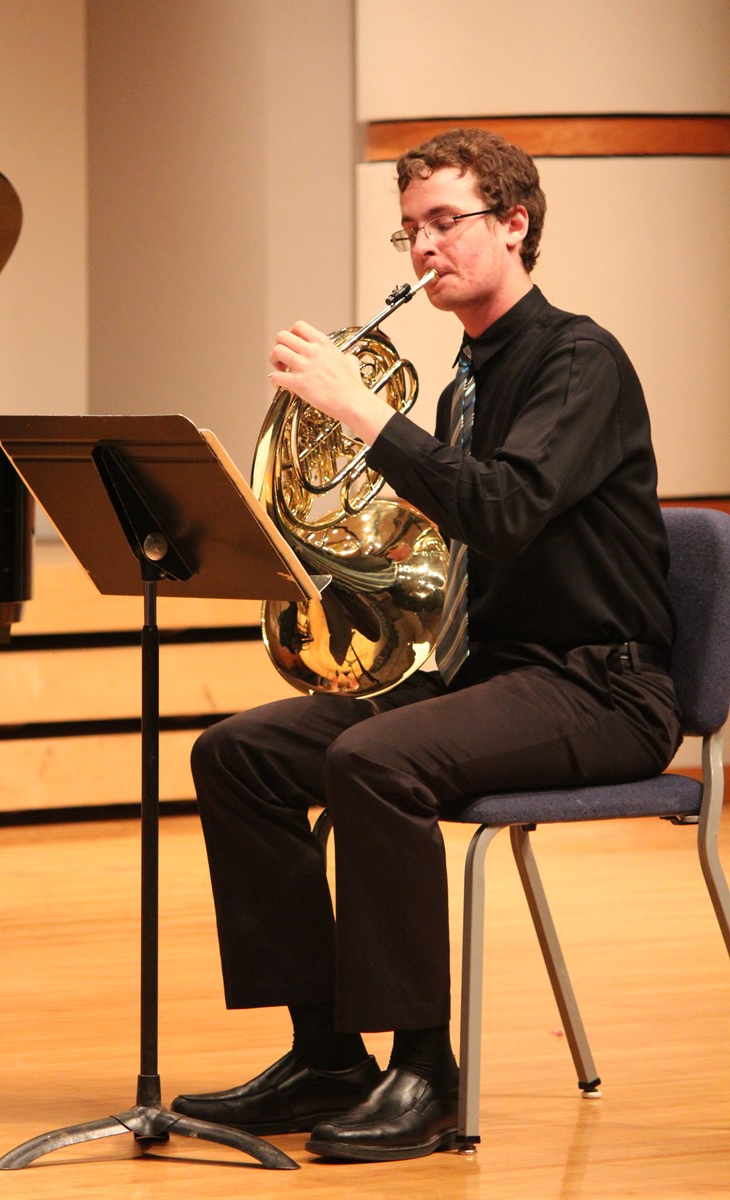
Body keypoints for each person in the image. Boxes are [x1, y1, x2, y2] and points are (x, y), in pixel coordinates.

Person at [171, 128, 682, 1162]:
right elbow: (447, 543)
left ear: (514, 223)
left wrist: (362, 416)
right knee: (238, 755)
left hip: (600, 686)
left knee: (374, 760)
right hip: (491, 675)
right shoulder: (463, 387)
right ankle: (326, 1055)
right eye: (409, 230)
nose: (423, 248)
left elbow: (501, 512)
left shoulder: (578, 361)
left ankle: (424, 1072)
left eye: (446, 222)